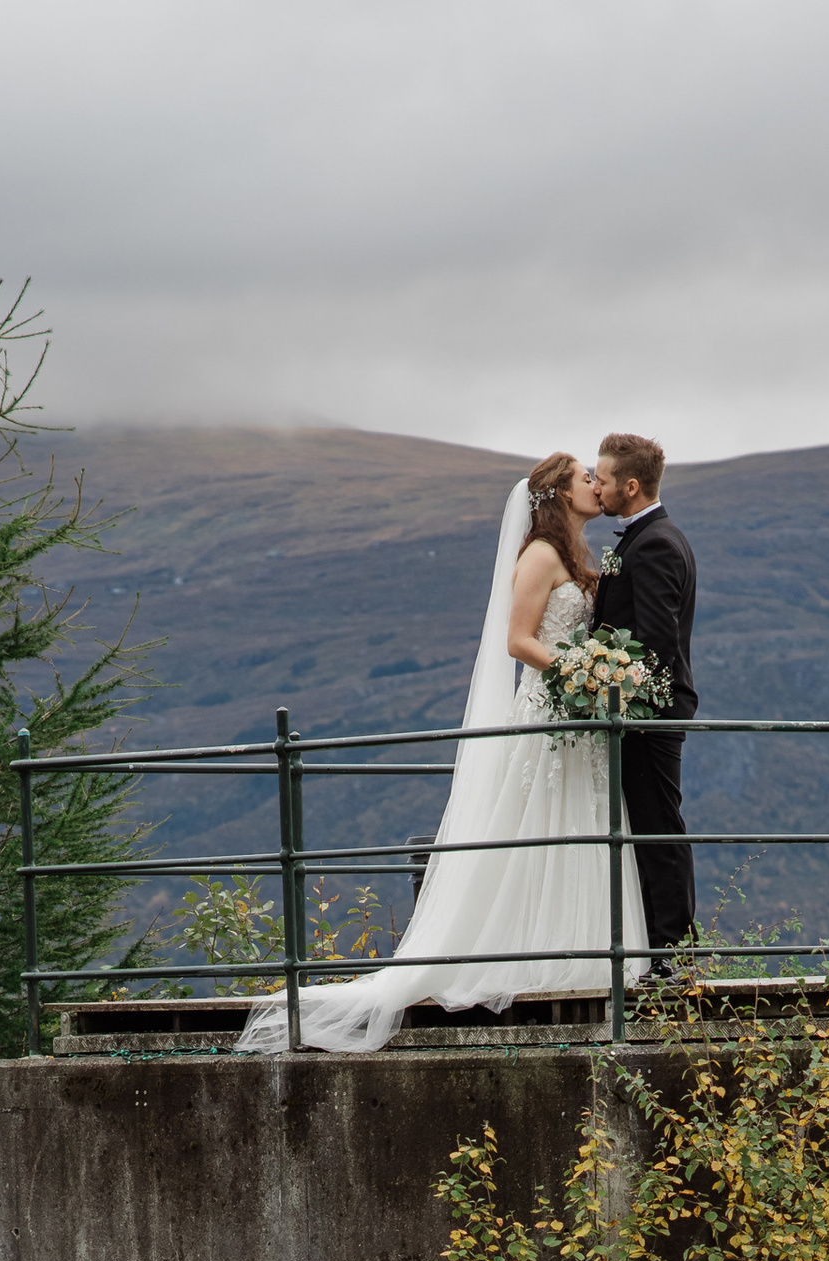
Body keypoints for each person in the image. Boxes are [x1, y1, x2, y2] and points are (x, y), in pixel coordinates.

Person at [237, 452, 648, 1056]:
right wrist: (581, 670)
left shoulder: (574, 556)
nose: (595, 483)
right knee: (541, 826)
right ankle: (541, 957)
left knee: (578, 829)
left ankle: (585, 954)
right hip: (548, 712)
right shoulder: (539, 554)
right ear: (559, 494)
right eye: (584, 477)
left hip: (575, 720)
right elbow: (518, 639)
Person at [590, 432, 698, 953]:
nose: (597, 486)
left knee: (659, 830)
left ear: (630, 486)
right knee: (650, 827)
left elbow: (655, 643)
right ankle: (661, 949)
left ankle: (672, 954)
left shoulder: (654, 543)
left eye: (603, 479)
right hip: (641, 712)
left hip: (649, 713)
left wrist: (618, 695)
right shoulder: (641, 538)